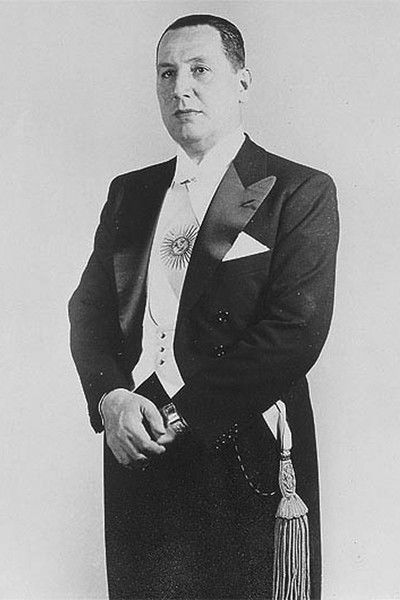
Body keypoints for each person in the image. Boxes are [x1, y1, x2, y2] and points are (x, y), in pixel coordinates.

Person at [69, 13, 339, 600]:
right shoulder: (130, 192)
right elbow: (88, 311)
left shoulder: (299, 190)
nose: (180, 89)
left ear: (242, 81)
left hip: (242, 447)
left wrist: (180, 416)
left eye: (199, 70)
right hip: (135, 444)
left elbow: (296, 330)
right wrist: (111, 399)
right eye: (166, 73)